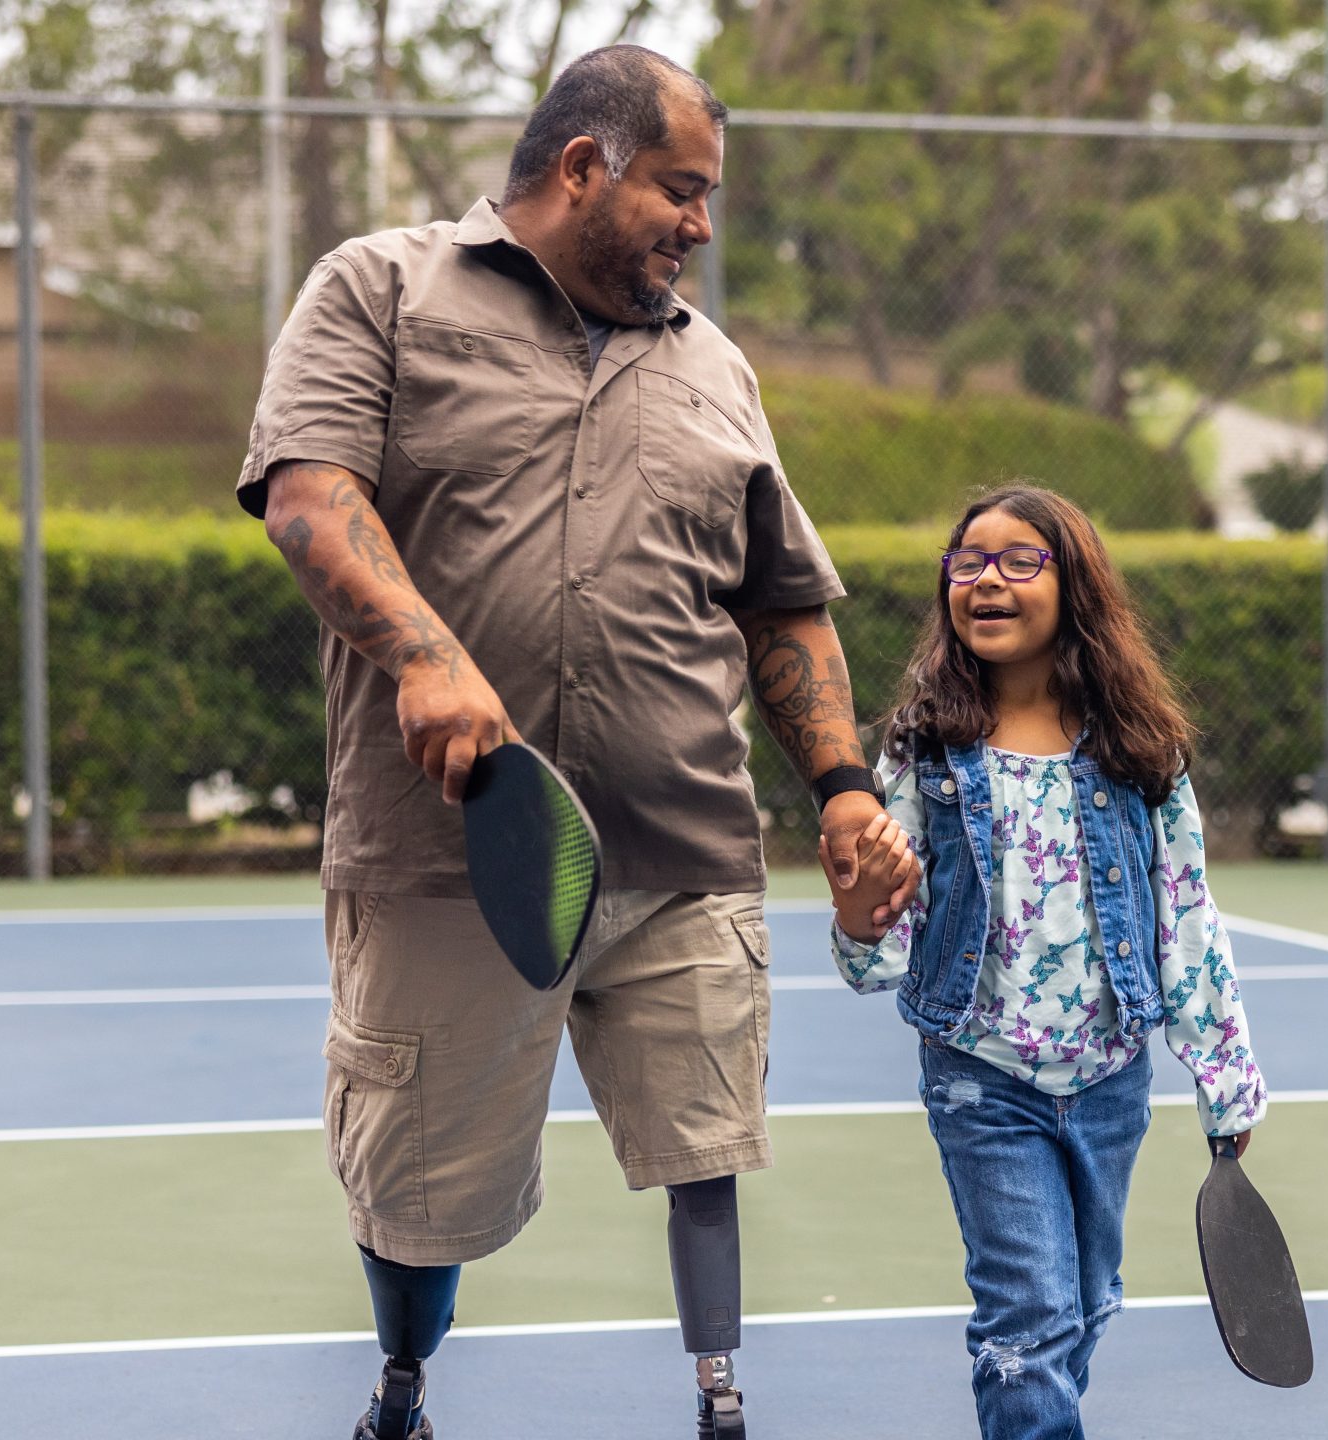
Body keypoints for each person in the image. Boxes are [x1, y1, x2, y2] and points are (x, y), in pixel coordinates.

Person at [236, 44, 912, 1440]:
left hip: (686, 844)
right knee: (418, 1190)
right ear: (583, 165)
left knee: (705, 1143)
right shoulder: (382, 287)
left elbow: (783, 601)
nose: (703, 226)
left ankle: (721, 1399)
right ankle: (403, 1384)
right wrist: (427, 658)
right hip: (458, 849)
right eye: (683, 187)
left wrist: (843, 788)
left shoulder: (715, 366)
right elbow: (309, 500)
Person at [827, 484, 1267, 1440]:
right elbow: (879, 956)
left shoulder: (1140, 752)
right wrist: (861, 915)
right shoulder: (925, 751)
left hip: (1112, 1082)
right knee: (1029, 1320)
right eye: (968, 561)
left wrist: (1226, 1081)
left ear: (1076, 588)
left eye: (1019, 559)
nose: (986, 579)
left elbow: (1187, 917)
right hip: (983, 1081)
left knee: (1086, 1307)